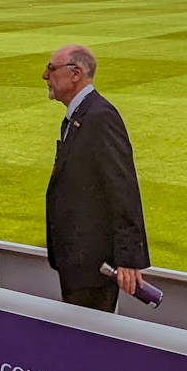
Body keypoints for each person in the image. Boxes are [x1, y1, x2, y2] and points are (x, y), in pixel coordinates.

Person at [40, 44, 149, 313]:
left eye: (51, 68)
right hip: (77, 261)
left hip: (94, 266)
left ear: (75, 73)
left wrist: (128, 258)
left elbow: (122, 186)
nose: (45, 75)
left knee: (86, 345)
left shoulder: (99, 117)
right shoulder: (78, 115)